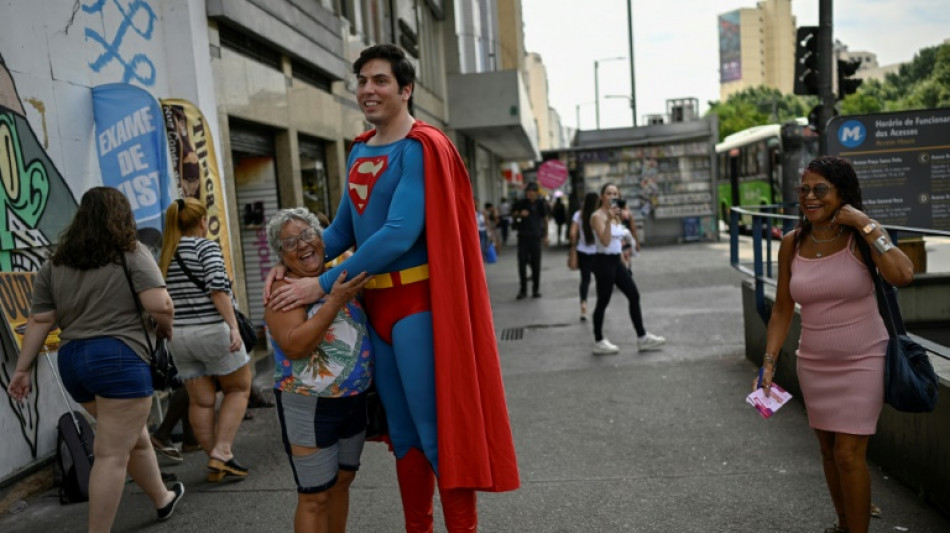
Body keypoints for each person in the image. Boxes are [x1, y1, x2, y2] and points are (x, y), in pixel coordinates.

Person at [264, 44, 519, 531]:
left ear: (405, 90)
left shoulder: (421, 147)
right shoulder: (361, 148)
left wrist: (317, 285)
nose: (367, 89)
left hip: (417, 306)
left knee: (436, 432)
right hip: (376, 304)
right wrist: (289, 265)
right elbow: (340, 231)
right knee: (403, 436)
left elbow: (398, 232)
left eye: (379, 80)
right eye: (361, 80)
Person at [6, 187, 184, 531]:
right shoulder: (131, 252)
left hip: (73, 362)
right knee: (111, 453)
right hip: (119, 359)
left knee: (132, 436)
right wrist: (166, 329)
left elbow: (41, 321)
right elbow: (160, 304)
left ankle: (162, 498)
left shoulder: (54, 264)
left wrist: (22, 369)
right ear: (123, 217)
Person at [758, 156, 913, 533]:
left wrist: (863, 221)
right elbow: (781, 308)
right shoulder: (792, 244)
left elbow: (903, 273)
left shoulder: (860, 237)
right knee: (828, 452)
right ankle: (844, 524)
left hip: (864, 359)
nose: (810, 197)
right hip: (813, 362)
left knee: (847, 454)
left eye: (820, 190)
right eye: (804, 190)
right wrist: (769, 362)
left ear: (842, 194)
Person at [264, 208, 373, 532]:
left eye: (307, 234)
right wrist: (333, 302)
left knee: (343, 480)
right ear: (281, 255)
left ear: (322, 238)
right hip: (309, 406)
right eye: (290, 243)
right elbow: (295, 346)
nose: (302, 245)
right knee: (314, 496)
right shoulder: (284, 292)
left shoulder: (338, 276)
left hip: (353, 401)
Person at [158, 198, 253, 482]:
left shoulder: (164, 254)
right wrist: (233, 327)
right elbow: (218, 289)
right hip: (212, 331)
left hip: (180, 338)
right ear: (202, 222)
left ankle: (217, 458)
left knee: (200, 403)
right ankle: (222, 453)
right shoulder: (205, 247)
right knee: (239, 389)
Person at [589, 183, 666, 355]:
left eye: (615, 193)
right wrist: (609, 219)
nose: (612, 196)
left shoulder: (615, 214)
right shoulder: (597, 216)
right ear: (602, 196)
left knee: (634, 294)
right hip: (603, 263)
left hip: (616, 261)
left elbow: (616, 243)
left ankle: (642, 337)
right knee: (603, 302)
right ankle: (599, 340)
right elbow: (605, 241)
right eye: (608, 193)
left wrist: (624, 261)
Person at [513, 182, 549, 299]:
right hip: (523, 237)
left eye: (532, 192)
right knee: (522, 263)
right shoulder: (521, 203)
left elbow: (545, 219)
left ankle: (535, 289)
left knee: (536, 264)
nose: (530, 194)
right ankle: (523, 290)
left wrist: (546, 236)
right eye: (528, 192)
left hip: (536, 237)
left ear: (536, 193)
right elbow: (514, 215)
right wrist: (519, 214)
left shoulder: (540, 204)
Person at [568, 192, 600, 321]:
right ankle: (600, 306)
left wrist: (574, 245)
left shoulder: (578, 214)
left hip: (583, 252)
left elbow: (572, 233)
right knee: (600, 280)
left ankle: (583, 305)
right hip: (597, 252)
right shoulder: (598, 215)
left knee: (585, 280)